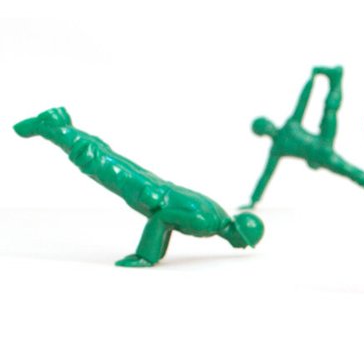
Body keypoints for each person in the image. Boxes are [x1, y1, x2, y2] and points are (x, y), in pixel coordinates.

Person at [14, 107, 264, 267]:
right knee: (99, 163)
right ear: (238, 232)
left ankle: (61, 123)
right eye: (244, 241)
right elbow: (163, 218)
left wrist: (157, 252)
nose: (242, 246)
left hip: (153, 188)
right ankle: (51, 127)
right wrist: (147, 255)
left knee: (106, 159)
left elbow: (169, 223)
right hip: (149, 194)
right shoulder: (206, 223)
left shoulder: (217, 215)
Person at [245, 66, 364, 208]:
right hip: (322, 155)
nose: (267, 128)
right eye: (263, 128)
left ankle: (336, 78)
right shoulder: (277, 149)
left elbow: (302, 102)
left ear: (269, 122)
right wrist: (253, 200)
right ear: (262, 134)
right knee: (348, 170)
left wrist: (311, 81)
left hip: (323, 140)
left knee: (330, 110)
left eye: (266, 124)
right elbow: (266, 175)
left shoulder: (290, 125)